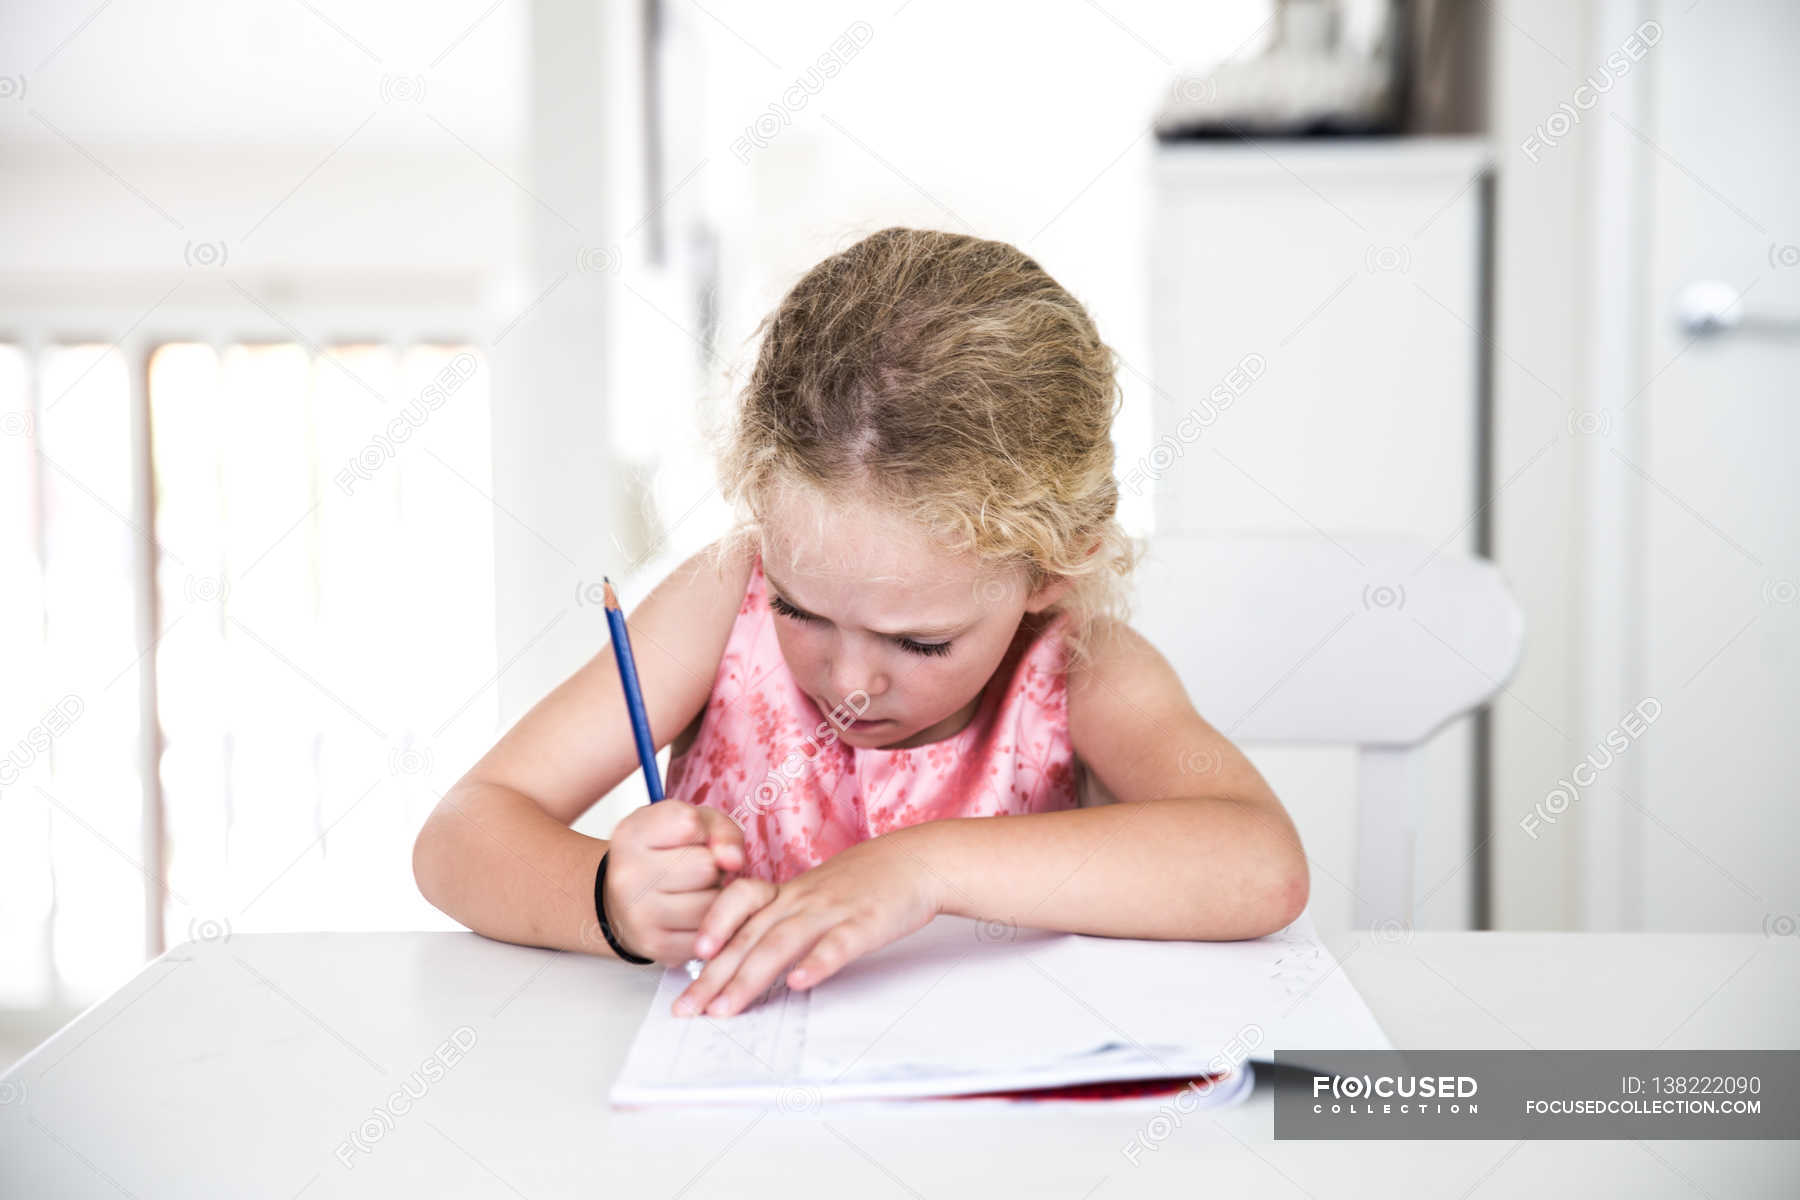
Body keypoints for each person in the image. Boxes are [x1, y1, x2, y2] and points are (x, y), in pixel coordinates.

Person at [412, 227, 1309, 1019]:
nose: (849, 682)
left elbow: (1260, 865)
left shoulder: (1077, 663)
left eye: (919, 643)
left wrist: (924, 869)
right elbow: (461, 836)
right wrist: (607, 897)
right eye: (800, 610)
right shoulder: (723, 598)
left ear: (1052, 568)